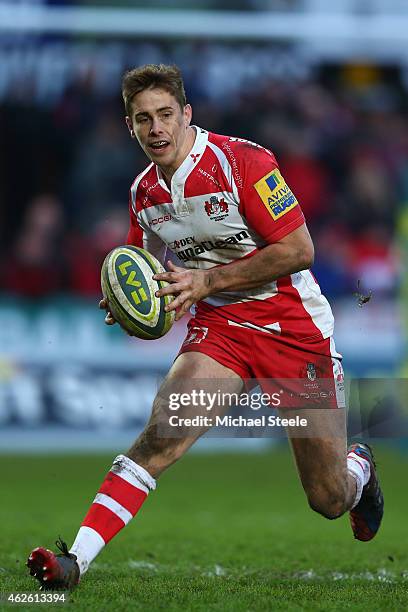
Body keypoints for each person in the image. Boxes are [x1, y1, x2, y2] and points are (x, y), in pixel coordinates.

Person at [27, 64, 384, 590]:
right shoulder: (144, 195)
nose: (156, 129)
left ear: (186, 114)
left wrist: (206, 281)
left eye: (166, 115)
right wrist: (132, 304)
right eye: (143, 119)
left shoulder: (243, 162)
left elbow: (299, 250)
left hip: (296, 331)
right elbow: (144, 272)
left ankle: (360, 471)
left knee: (328, 498)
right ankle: (73, 562)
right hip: (222, 331)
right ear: (130, 127)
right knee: (158, 440)